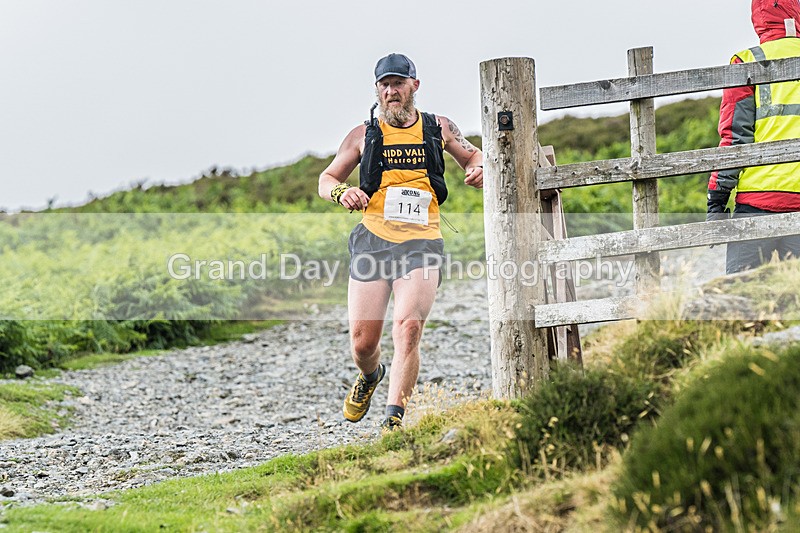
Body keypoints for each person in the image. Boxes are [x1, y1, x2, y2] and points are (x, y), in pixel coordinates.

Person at [318, 53, 483, 430]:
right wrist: (342, 192)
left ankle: (393, 422)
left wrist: (477, 170)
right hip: (373, 242)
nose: (391, 91)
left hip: (422, 243)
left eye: (398, 84)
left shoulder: (438, 127)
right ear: (377, 89)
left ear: (414, 86)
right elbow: (326, 178)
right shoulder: (362, 135)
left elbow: (474, 156)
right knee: (362, 343)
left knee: (408, 328)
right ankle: (371, 375)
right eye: (384, 85)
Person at [707, 0, 800, 274]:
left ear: (759, 17)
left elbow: (734, 139)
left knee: (738, 303)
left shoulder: (745, 62)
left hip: (755, 202)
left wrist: (717, 198)